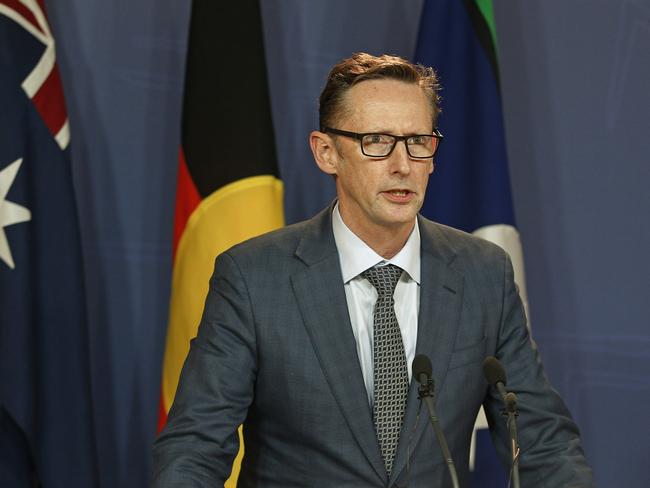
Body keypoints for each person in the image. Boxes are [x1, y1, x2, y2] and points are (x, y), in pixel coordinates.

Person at [152, 53, 593, 487]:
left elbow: (543, 444)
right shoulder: (253, 278)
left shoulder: (482, 273)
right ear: (327, 153)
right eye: (377, 141)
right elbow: (195, 450)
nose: (403, 165)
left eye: (418, 142)